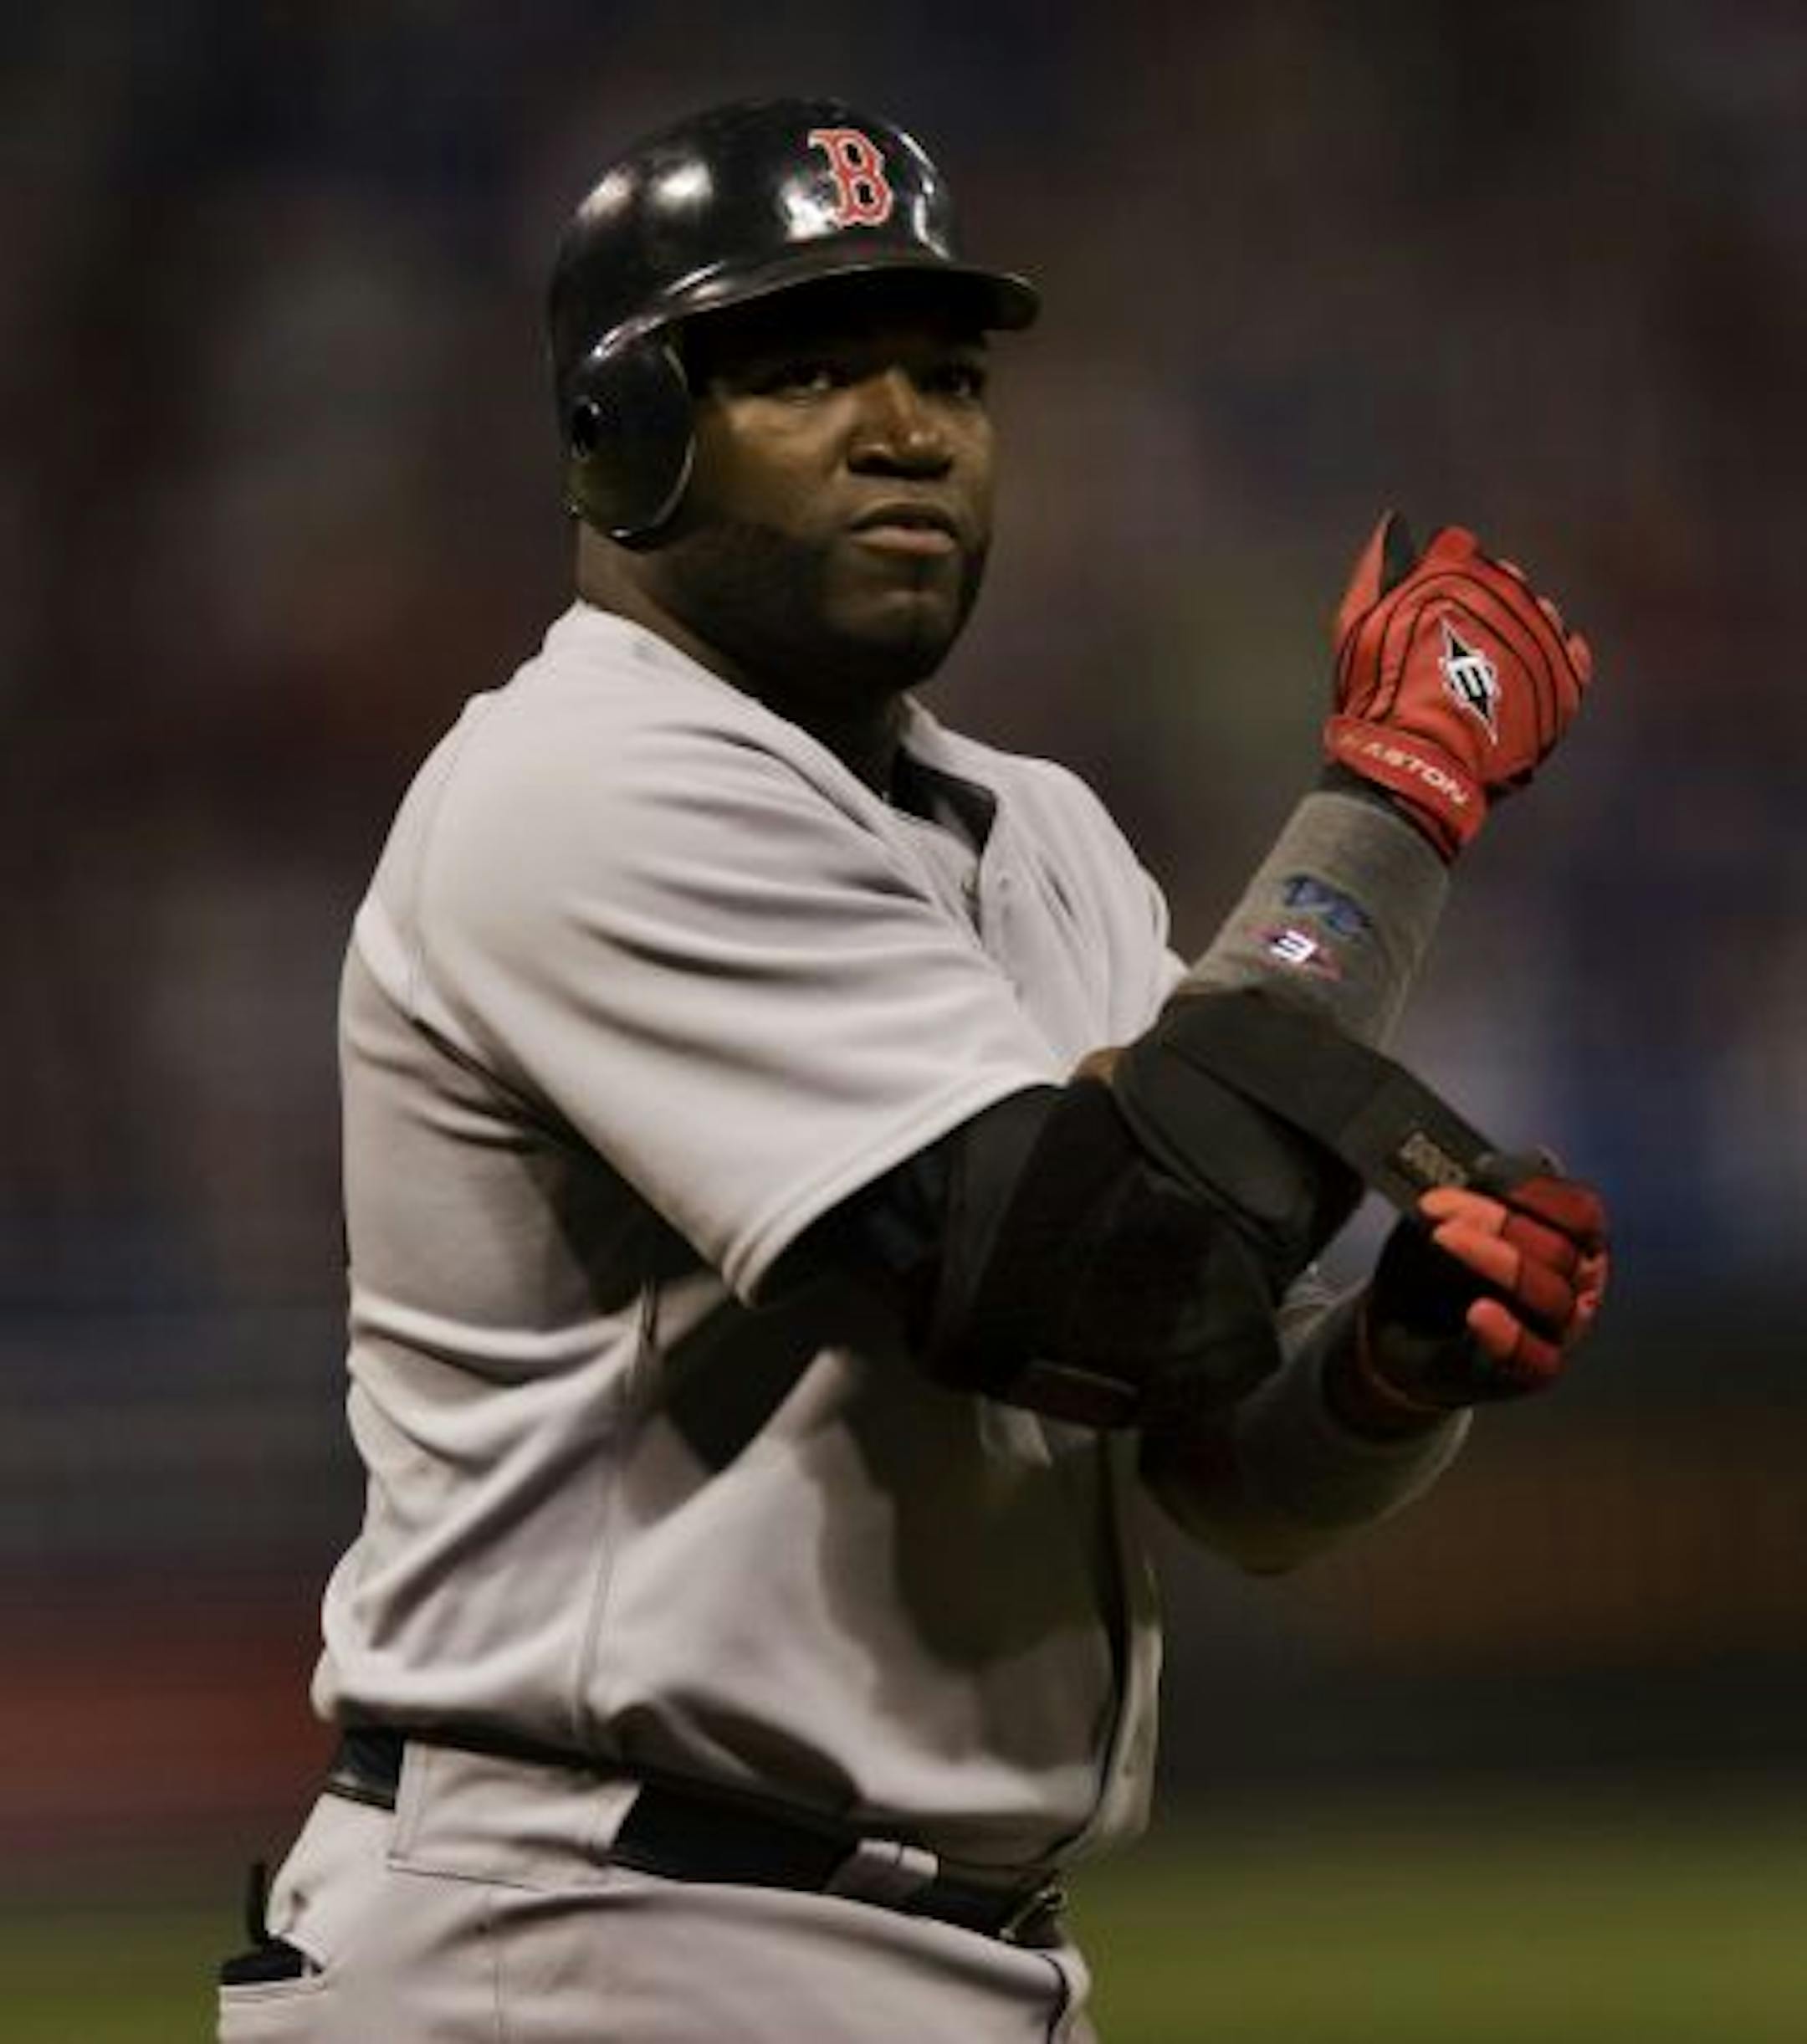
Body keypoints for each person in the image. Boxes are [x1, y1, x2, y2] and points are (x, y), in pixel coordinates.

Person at [216, 96, 1608, 2044]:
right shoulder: (585, 778)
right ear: (626, 432)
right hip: (602, 1937)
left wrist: (1386, 1371)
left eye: (948, 372)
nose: (909, 428)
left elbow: (1200, 1423)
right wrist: (1399, 800)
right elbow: (1090, 1267)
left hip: (920, 1947)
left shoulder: (1038, 834)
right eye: (807, 372)